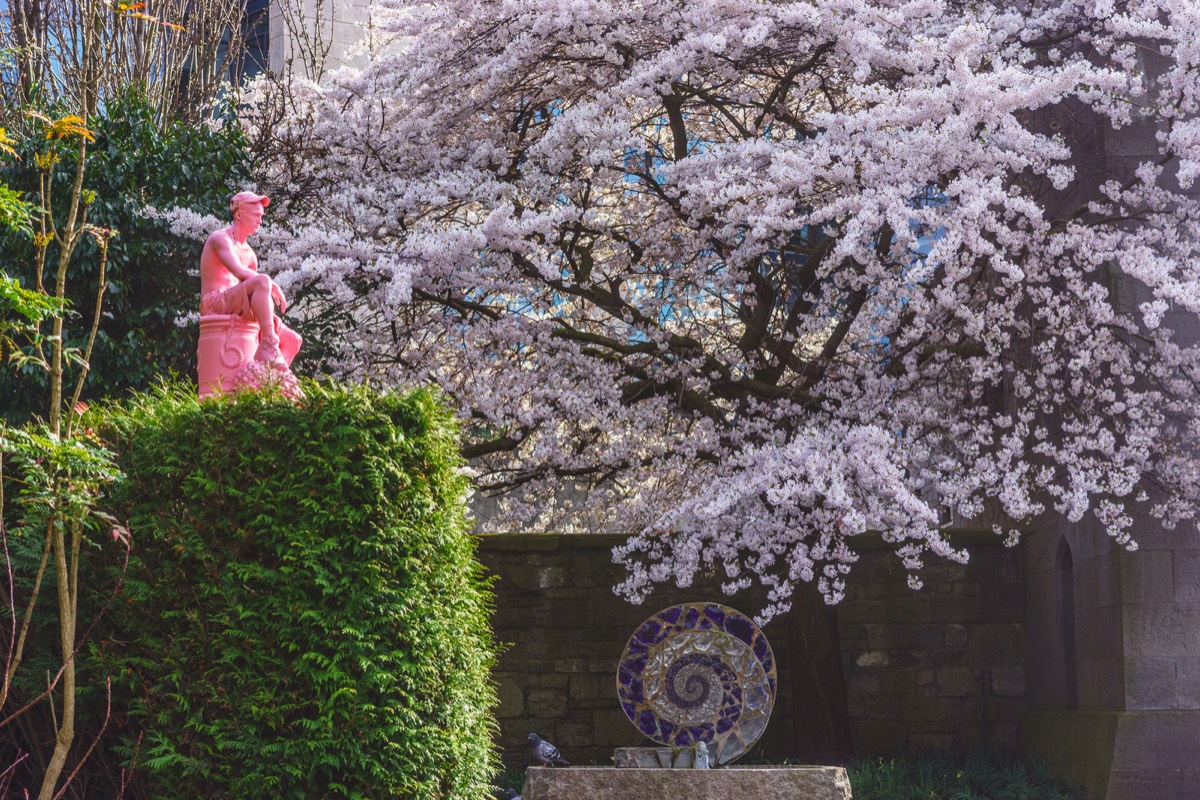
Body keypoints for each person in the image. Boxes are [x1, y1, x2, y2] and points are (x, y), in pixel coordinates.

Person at [199, 191, 301, 366]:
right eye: (256, 215)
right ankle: (269, 344)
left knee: (293, 340)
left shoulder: (250, 255)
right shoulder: (220, 239)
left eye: (261, 216)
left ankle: (267, 378)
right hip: (214, 303)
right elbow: (239, 272)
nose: (260, 221)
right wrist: (272, 285)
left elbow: (256, 292)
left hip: (237, 305)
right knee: (263, 281)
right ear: (239, 214)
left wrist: (267, 316)